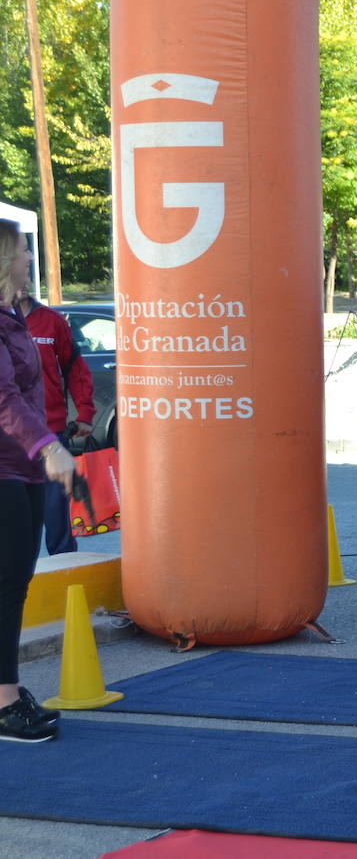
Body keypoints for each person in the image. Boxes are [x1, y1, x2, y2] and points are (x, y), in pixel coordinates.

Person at [1, 220, 72, 742]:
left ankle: (6, 689)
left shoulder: (13, 317)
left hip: (21, 467)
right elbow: (4, 399)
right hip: (6, 467)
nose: (30, 259)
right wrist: (48, 446)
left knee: (13, 586)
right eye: (25, 251)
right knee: (5, 588)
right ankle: (4, 703)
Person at [16, 288, 95, 555]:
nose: (23, 281)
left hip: (51, 429)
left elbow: (75, 368)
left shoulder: (52, 320)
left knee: (55, 512)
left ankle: (64, 569)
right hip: (9, 434)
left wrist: (84, 412)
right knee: (13, 516)